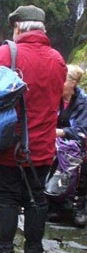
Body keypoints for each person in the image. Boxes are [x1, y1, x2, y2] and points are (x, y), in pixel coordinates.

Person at [0, 5, 66, 253]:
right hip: (43, 147)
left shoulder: (7, 53)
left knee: (6, 198)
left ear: (18, 28)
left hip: (9, 146)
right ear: (42, 29)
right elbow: (56, 99)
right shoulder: (58, 60)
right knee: (37, 198)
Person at [47, 64, 87, 227]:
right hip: (56, 143)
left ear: (72, 82)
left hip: (78, 143)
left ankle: (80, 205)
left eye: (61, 79)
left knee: (81, 161)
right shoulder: (52, 97)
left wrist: (61, 133)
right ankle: (55, 203)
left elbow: (83, 129)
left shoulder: (83, 102)